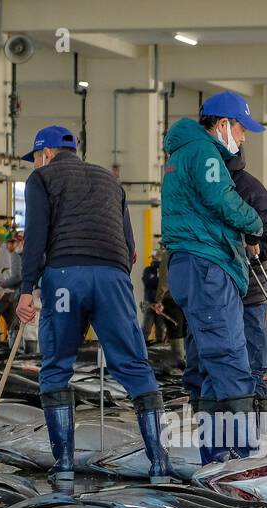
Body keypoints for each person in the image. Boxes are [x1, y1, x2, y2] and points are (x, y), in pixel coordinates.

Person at [16, 125, 172, 484]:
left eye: (37, 158)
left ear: (46, 154)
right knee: (135, 366)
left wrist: (27, 289)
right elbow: (131, 247)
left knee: (56, 367)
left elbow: (36, 236)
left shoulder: (41, 179)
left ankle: (66, 465)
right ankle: (159, 464)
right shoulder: (109, 180)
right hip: (113, 277)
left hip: (65, 276)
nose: (36, 163)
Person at [160, 93, 266, 462]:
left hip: (194, 266)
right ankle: (246, 461)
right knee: (231, 358)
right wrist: (255, 224)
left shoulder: (181, 153)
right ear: (223, 124)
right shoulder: (204, 153)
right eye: (241, 128)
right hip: (207, 266)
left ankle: (215, 459)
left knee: (208, 365)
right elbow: (221, 199)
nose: (243, 136)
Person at [224, 144, 267, 416]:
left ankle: (258, 419)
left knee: (254, 360)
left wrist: (253, 243)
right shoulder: (201, 186)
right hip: (217, 289)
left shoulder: (250, 188)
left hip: (250, 288)